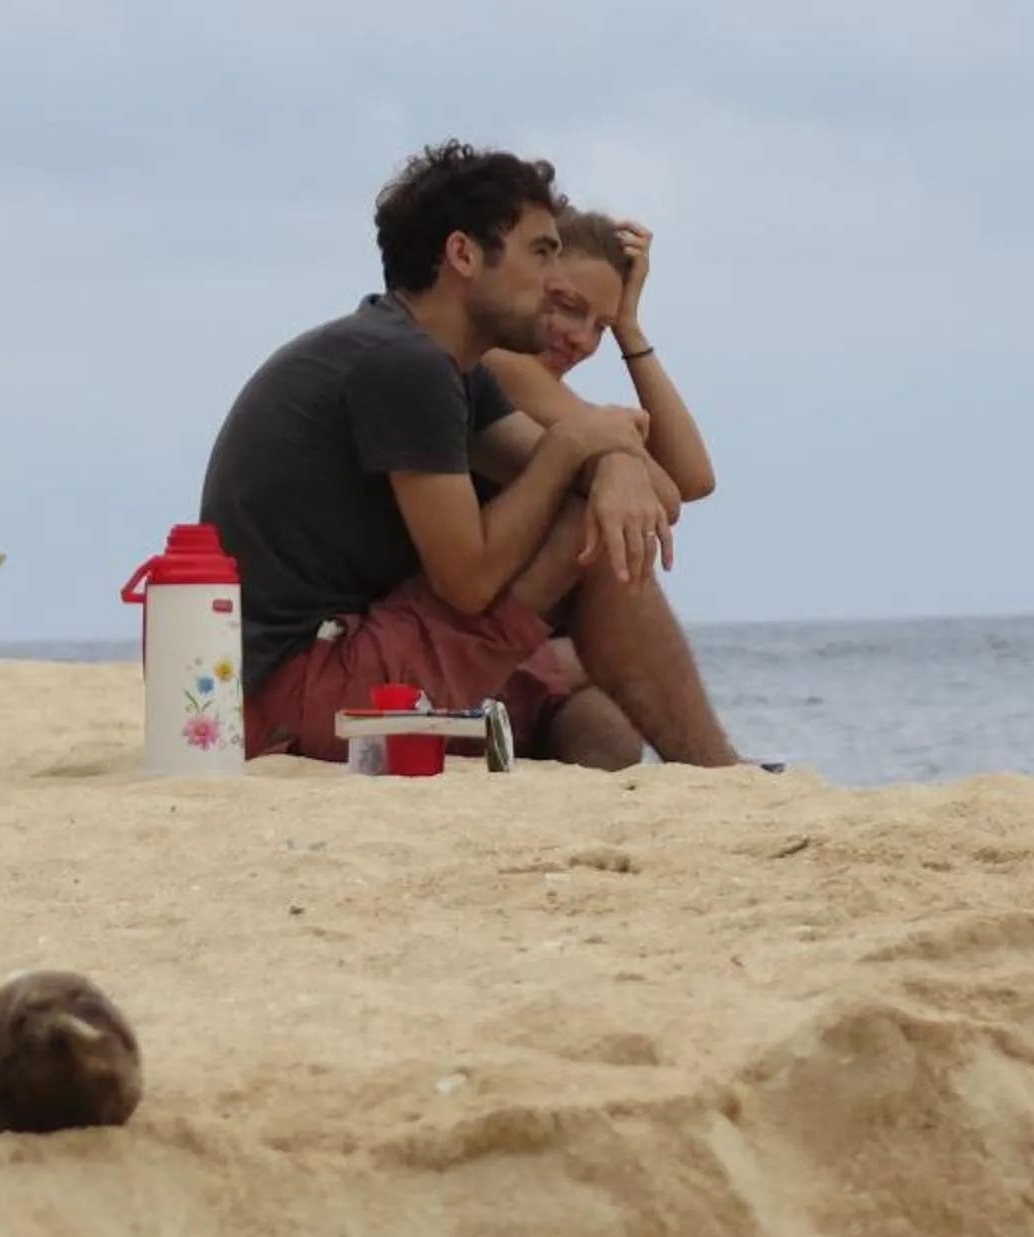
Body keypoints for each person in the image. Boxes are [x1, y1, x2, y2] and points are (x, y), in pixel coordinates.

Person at [197, 142, 742, 769]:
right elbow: (468, 580)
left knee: (599, 716)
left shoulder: (448, 367)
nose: (552, 279)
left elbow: (650, 494)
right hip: (301, 690)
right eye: (541, 253)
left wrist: (610, 454)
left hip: (352, 659)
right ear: (463, 255)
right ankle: (724, 773)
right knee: (587, 536)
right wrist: (576, 444)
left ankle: (649, 792)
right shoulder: (404, 365)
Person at [485, 211, 716, 508]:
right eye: (569, 307)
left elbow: (694, 480)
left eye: (602, 327)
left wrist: (628, 326)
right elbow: (666, 492)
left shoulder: (548, 397)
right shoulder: (496, 360)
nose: (582, 340)